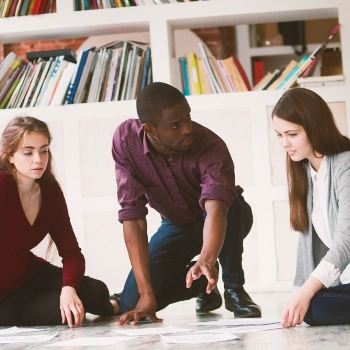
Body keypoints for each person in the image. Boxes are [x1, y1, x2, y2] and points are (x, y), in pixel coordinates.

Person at [112, 82, 261, 325]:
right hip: (175, 225)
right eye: (175, 125)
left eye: (188, 118)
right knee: (132, 303)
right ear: (149, 129)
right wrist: (147, 294)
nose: (187, 129)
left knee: (230, 205)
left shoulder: (210, 145)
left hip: (224, 218)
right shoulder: (126, 140)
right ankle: (201, 285)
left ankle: (235, 290)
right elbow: (133, 216)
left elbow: (216, 208)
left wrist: (207, 258)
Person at [0, 116, 119, 327]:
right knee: (65, 315)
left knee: (95, 291)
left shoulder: (50, 191)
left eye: (43, 150)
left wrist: (68, 289)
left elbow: (71, 252)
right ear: (10, 156)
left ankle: (116, 305)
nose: (38, 159)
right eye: (28, 152)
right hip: (3, 295)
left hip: (27, 274)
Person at [272, 87, 350, 328]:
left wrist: (305, 293)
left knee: (315, 306)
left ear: (314, 127)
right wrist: (298, 295)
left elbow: (345, 242)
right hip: (345, 281)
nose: (285, 143)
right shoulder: (305, 171)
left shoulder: (345, 165)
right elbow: (306, 244)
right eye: (279, 135)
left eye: (292, 134)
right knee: (311, 308)